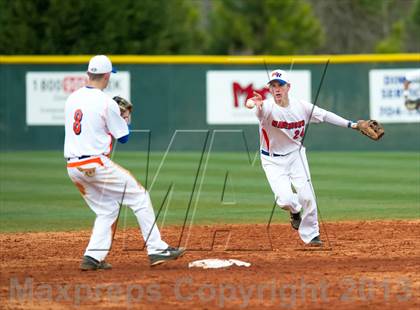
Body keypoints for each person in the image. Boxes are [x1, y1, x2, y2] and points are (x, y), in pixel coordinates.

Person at [64, 55, 185, 270]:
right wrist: (124, 118)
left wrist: (115, 116)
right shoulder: (106, 102)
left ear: (89, 74)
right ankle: (156, 248)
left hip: (73, 168)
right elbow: (124, 137)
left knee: (107, 209)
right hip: (95, 163)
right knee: (140, 196)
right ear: (107, 75)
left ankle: (92, 257)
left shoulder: (72, 98)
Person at [246, 69, 361, 246]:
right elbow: (256, 109)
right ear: (270, 89)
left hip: (295, 155)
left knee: (307, 195)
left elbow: (325, 115)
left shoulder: (302, 107)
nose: (277, 89)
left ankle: (312, 235)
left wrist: (351, 125)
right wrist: (255, 104)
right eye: (273, 86)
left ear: (288, 87)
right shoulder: (267, 107)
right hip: (272, 159)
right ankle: (295, 211)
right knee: (284, 200)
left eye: (280, 85)